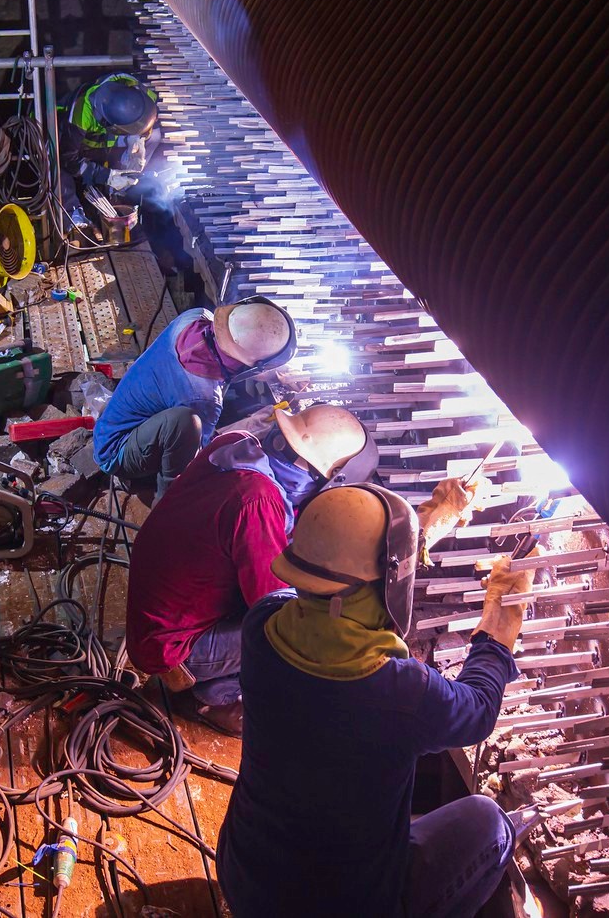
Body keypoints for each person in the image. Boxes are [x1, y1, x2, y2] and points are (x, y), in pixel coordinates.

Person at [216, 481, 531, 918]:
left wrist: (418, 530)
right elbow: (477, 709)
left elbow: (333, 588)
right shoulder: (399, 693)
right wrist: (498, 622)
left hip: (245, 876)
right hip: (343, 908)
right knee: (491, 826)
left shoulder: (263, 625)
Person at [125, 403, 378, 734]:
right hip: (173, 646)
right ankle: (214, 696)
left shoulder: (237, 446)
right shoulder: (258, 502)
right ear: (329, 474)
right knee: (302, 633)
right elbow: (275, 609)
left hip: (156, 618)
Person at [91, 297, 296, 500]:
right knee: (186, 423)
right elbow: (204, 456)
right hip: (116, 452)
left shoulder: (194, 317)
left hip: (112, 422)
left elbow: (230, 360)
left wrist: (270, 373)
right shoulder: (203, 397)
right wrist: (248, 427)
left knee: (190, 419)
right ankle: (168, 501)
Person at [60, 71, 162, 239]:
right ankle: (74, 217)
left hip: (104, 142)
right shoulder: (81, 114)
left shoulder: (140, 93)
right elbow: (67, 159)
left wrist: (139, 140)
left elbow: (152, 118)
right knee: (56, 166)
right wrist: (106, 176)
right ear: (109, 124)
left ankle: (120, 193)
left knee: (156, 136)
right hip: (75, 146)